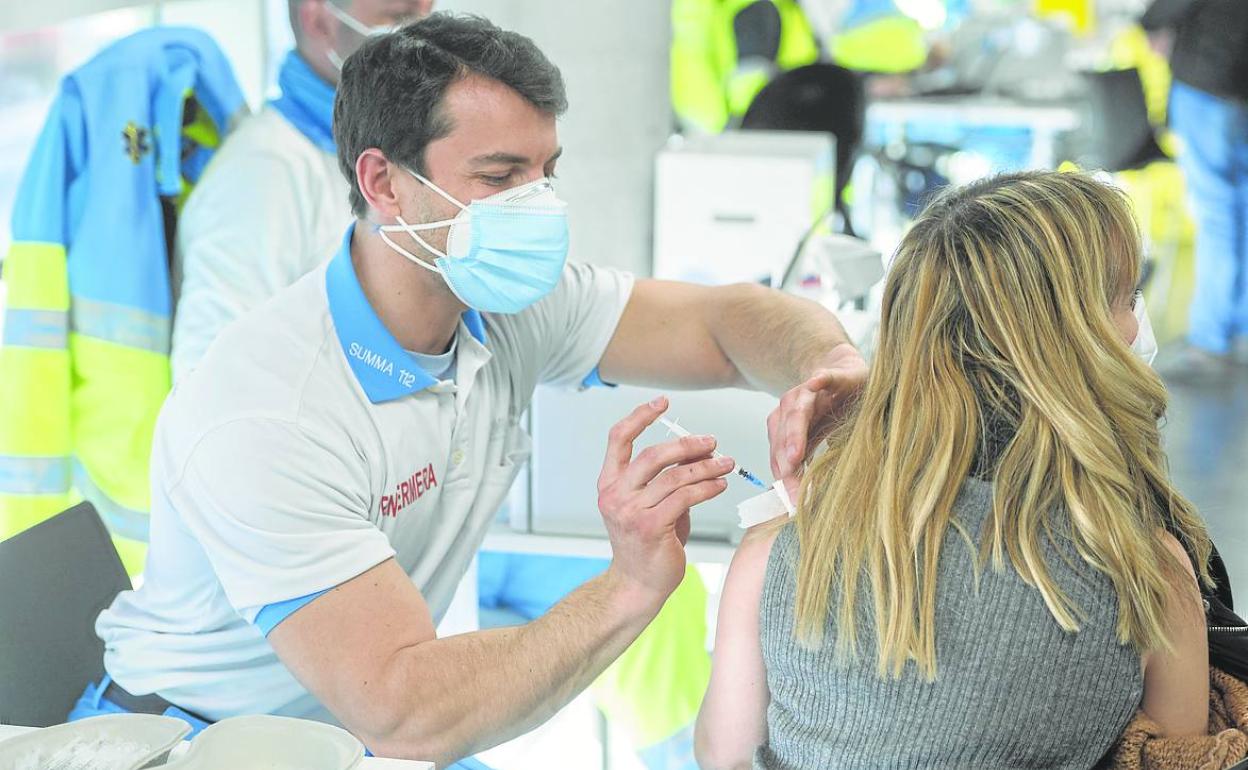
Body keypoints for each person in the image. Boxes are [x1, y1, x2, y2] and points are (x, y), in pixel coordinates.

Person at [75, 13, 869, 768]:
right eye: (501, 177)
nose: (540, 207)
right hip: (196, 745)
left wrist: (829, 365)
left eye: (546, 173)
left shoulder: (502, 307)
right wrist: (628, 583)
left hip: (338, 731)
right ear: (384, 184)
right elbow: (407, 714)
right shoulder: (271, 411)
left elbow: (721, 322)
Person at [696, 171, 1212, 769]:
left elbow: (723, 757)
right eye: (1127, 299)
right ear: (1080, 342)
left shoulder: (778, 557)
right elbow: (1178, 755)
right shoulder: (1146, 573)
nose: (1136, 325)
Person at [172, 0, 430, 380]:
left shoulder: (380, 153)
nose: (421, 44)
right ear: (319, 19)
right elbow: (211, 378)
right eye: (398, 21)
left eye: (427, 17)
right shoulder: (263, 172)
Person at [1140, 0, 1248, 381]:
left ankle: (1209, 342)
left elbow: (1160, 13)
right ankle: (1238, 329)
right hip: (1240, 87)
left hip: (1207, 84)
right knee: (1241, 212)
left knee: (1217, 214)